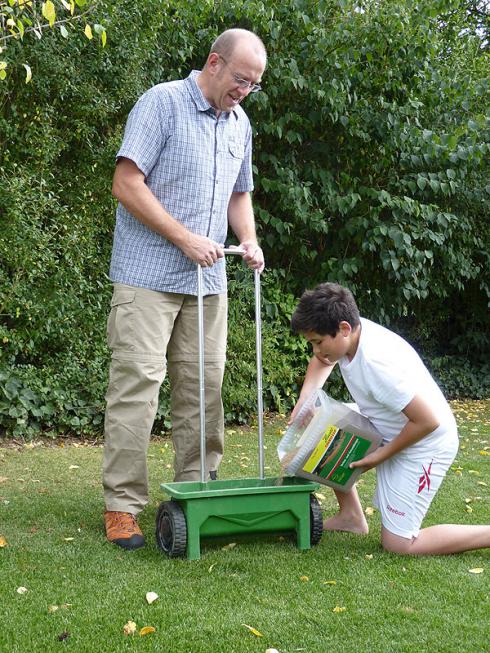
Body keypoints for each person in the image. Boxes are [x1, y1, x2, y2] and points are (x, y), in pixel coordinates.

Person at [102, 29, 267, 550]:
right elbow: (126, 183)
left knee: (204, 389)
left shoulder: (239, 123)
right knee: (138, 386)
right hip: (147, 275)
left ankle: (198, 491)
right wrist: (184, 238)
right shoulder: (162, 103)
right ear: (214, 63)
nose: (245, 91)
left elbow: (239, 196)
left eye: (254, 85)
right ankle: (122, 506)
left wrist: (249, 239)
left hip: (208, 281)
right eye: (241, 79)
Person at [290, 282, 490, 555]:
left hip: (427, 442)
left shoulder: (377, 364)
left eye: (318, 342)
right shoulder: (349, 334)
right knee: (321, 425)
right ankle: (351, 517)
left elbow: (427, 421)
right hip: (388, 424)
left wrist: (379, 456)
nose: (316, 351)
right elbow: (323, 362)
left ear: (344, 329)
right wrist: (305, 400)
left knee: (399, 544)